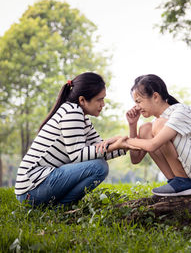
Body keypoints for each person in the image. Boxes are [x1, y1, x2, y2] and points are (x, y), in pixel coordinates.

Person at [14, 72, 129, 207]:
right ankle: (62, 208)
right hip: (31, 190)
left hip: (38, 186)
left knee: (99, 164)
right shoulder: (72, 113)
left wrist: (126, 144)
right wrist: (114, 145)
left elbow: (100, 149)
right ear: (82, 100)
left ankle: (60, 206)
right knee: (99, 167)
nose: (103, 104)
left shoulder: (81, 117)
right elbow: (77, 156)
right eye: (99, 99)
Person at [101, 74, 191, 196]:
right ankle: (175, 181)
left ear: (155, 96)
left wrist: (121, 140)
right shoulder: (158, 123)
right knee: (146, 129)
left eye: (139, 101)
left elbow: (152, 145)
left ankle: (183, 182)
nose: (137, 107)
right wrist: (132, 125)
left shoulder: (179, 112)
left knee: (157, 125)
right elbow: (135, 159)